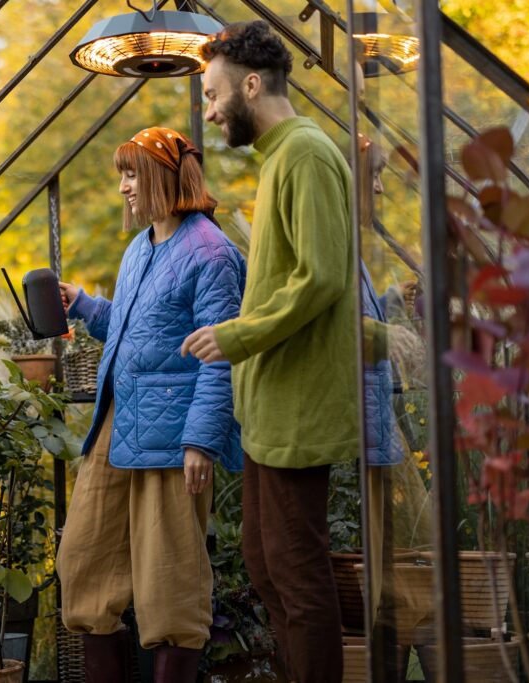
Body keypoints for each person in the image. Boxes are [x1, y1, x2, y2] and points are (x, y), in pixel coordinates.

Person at [182, 21, 359, 682]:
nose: (208, 107)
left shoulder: (307, 154)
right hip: (269, 416)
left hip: (297, 414)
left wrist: (235, 336)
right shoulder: (281, 156)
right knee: (266, 566)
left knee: (299, 579)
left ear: (250, 85)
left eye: (212, 92)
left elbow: (320, 278)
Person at [55, 126, 245, 683]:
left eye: (131, 173)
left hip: (176, 437)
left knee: (170, 585)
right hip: (118, 426)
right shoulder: (141, 248)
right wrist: (86, 306)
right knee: (83, 566)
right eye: (122, 175)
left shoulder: (211, 252)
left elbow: (222, 354)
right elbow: (140, 334)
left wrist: (201, 440)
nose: (122, 188)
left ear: (162, 176)